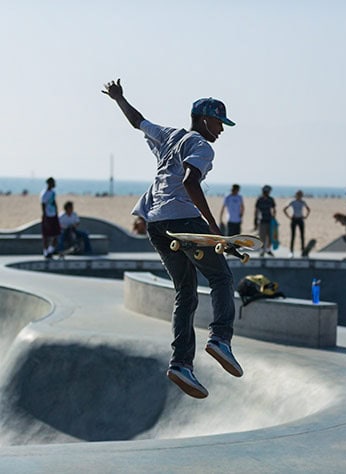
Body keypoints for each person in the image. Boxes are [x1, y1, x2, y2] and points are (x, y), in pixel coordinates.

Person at [102, 78, 241, 400]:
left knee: (186, 292)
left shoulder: (169, 136)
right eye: (219, 123)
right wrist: (213, 225)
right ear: (205, 119)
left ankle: (181, 363)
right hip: (184, 220)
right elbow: (192, 182)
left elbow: (138, 122)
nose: (220, 130)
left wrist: (118, 98)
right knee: (221, 278)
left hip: (156, 223)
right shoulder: (203, 146)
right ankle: (220, 337)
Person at [283, 190, 311, 257]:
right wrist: (289, 217)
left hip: (300, 219)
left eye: (301, 195)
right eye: (298, 195)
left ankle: (303, 250)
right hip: (294, 219)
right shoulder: (292, 201)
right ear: (296, 195)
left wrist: (306, 216)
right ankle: (291, 251)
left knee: (302, 236)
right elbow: (284, 209)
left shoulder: (303, 202)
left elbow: (308, 209)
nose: (299, 196)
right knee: (293, 236)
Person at [39, 177, 61, 258]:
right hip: (47, 215)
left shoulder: (53, 192)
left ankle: (50, 250)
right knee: (46, 235)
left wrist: (56, 212)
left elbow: (54, 202)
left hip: (53, 215)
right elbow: (43, 205)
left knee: (56, 234)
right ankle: (45, 251)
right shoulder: (44, 194)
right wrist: (45, 217)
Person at [254, 185, 276, 256]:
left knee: (270, 236)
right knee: (262, 236)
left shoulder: (271, 199)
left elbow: (273, 208)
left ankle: (268, 249)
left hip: (269, 220)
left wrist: (273, 216)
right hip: (262, 220)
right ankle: (262, 250)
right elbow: (256, 210)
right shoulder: (259, 199)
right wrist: (256, 219)